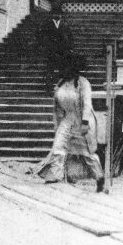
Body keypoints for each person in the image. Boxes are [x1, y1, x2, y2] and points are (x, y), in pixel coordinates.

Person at [34, 53, 103, 189]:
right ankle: (54, 176)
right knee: (58, 147)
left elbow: (87, 104)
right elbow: (57, 107)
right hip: (67, 119)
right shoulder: (61, 84)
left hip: (82, 120)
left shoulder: (83, 83)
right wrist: (57, 124)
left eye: (67, 67)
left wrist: (85, 123)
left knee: (86, 153)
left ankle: (100, 178)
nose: (64, 70)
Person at [36, 0, 74, 93]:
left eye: (59, 14)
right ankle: (49, 89)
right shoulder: (46, 25)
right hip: (51, 52)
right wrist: (45, 46)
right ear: (52, 15)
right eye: (56, 14)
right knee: (50, 71)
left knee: (62, 71)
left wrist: (70, 48)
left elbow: (70, 38)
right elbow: (40, 37)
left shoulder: (65, 25)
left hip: (62, 52)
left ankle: (61, 89)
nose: (58, 15)